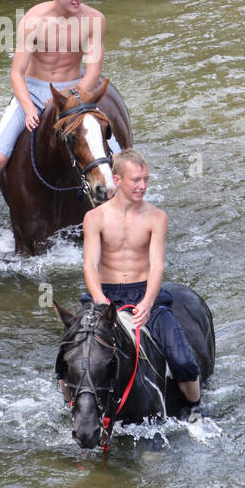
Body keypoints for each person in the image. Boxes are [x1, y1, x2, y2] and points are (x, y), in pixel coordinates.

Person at [0, 0, 115, 241]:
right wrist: (30, 108)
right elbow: (16, 73)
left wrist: (75, 100)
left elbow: (93, 69)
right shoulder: (34, 21)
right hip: (32, 91)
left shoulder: (94, 20)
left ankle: (125, 213)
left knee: (116, 153)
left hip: (73, 92)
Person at [67, 149, 201, 405]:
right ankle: (72, 406)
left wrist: (148, 304)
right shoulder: (94, 218)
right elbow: (90, 265)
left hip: (144, 293)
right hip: (105, 294)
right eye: (136, 180)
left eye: (146, 180)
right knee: (68, 359)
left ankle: (196, 411)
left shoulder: (157, 218)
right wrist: (100, 299)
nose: (142, 186)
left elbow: (157, 267)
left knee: (183, 361)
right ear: (117, 180)